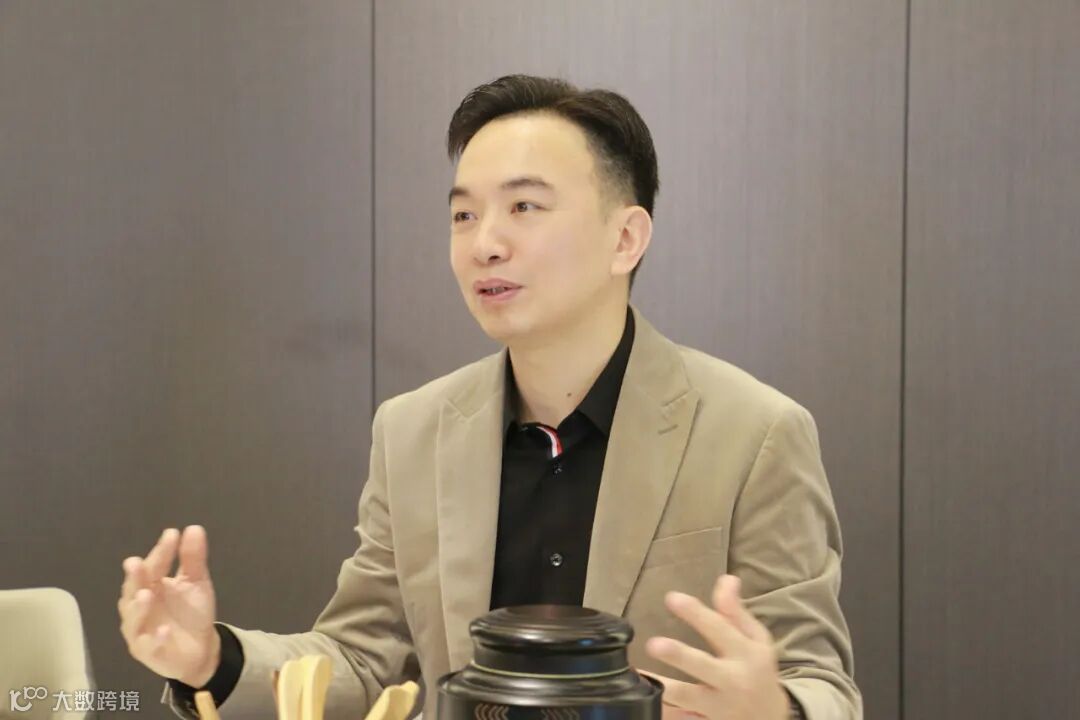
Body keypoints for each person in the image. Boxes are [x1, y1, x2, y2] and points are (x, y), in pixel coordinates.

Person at [118, 75, 860, 720]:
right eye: (464, 215)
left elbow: (820, 683)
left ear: (625, 239)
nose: (485, 244)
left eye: (525, 207)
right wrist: (211, 660)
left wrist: (775, 708)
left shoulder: (754, 432)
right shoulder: (412, 431)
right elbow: (365, 661)